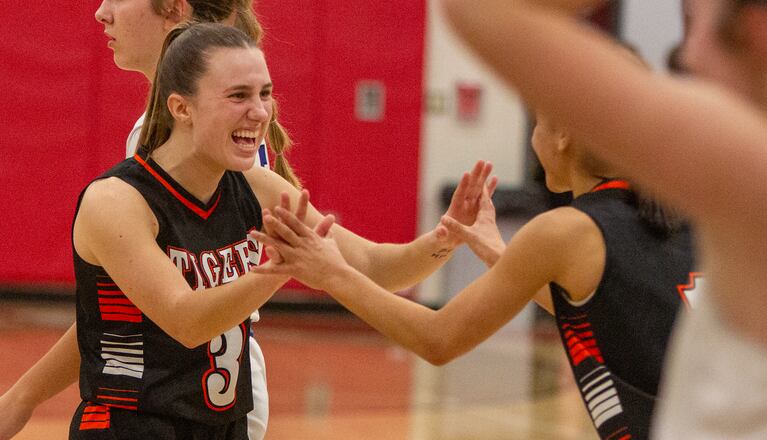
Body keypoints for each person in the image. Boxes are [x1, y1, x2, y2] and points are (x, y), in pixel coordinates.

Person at [33, 21, 485, 439]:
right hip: (132, 425)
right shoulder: (116, 200)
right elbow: (185, 320)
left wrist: (445, 239)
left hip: (223, 426)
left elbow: (371, 266)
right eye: (238, 96)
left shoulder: (254, 186)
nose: (260, 112)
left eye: (265, 93)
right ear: (181, 108)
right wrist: (273, 271)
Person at [436, 0, 767, 438]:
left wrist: (336, 275)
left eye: (698, 25)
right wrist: (499, 254)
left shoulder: (754, 174)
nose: (686, 55)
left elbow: (478, 10)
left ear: (757, 33)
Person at [250, 99, 698, 437]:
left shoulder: (566, 231)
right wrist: (498, 256)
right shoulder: (682, 216)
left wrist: (332, 274)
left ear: (563, 135)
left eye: (538, 121)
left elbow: (438, 338)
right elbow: (610, 308)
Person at [0, 2, 286, 439]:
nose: (101, 13)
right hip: (209, 382)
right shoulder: (206, 126)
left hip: (189, 393)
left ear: (173, 7)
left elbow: (152, 313)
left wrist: (21, 399)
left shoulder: (181, 141)